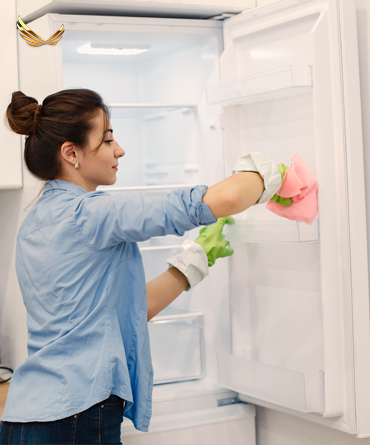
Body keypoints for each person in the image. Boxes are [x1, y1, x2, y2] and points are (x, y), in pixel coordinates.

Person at [0, 89, 281, 444]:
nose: (119, 150)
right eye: (107, 139)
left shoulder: (34, 221)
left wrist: (190, 264)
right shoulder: (93, 213)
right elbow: (220, 199)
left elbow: (122, 312)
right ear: (71, 153)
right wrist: (271, 175)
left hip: (23, 420)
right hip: (77, 416)